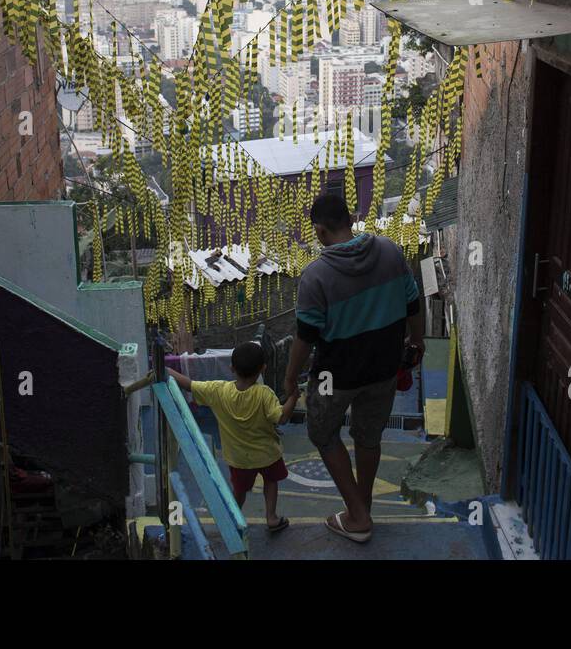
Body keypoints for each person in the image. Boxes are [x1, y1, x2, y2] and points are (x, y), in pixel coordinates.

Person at [282, 192, 423, 544]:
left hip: (334, 377)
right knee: (368, 436)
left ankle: (358, 517)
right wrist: (416, 344)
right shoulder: (391, 251)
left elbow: (306, 337)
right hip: (384, 370)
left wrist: (289, 379)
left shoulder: (316, 276)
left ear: (318, 230)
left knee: (323, 433)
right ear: (350, 218)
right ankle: (364, 502)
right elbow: (413, 303)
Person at [168, 341, 292, 533]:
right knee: (271, 481)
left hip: (238, 459)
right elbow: (281, 418)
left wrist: (165, 369)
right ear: (263, 369)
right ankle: (271, 517)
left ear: (232, 368)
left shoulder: (219, 391)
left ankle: (234, 519)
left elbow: (189, 385)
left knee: (240, 490)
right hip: (268, 454)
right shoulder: (264, 394)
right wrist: (292, 397)